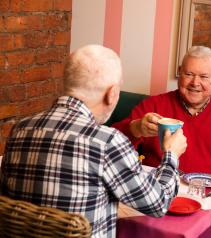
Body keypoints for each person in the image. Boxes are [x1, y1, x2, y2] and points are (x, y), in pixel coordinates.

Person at [0, 45, 187, 238]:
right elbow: (158, 204)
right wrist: (171, 155)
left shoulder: (20, 128)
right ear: (112, 93)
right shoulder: (107, 142)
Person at [112, 46, 211, 202]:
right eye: (189, 74)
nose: (195, 82)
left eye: (204, 76)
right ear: (179, 72)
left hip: (206, 205)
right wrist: (136, 128)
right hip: (154, 197)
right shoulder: (153, 107)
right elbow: (111, 146)